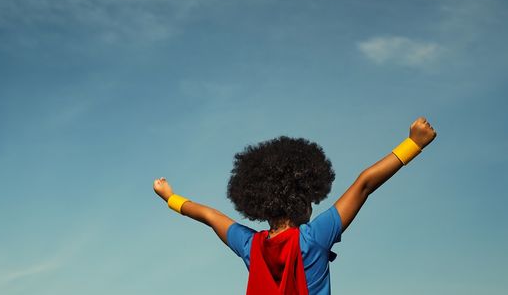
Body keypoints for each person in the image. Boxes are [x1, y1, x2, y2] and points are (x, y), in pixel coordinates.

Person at [153, 117, 437, 294]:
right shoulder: (314, 237)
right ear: (304, 201)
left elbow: (209, 216)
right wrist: (413, 143)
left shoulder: (250, 245)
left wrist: (170, 197)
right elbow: (364, 184)